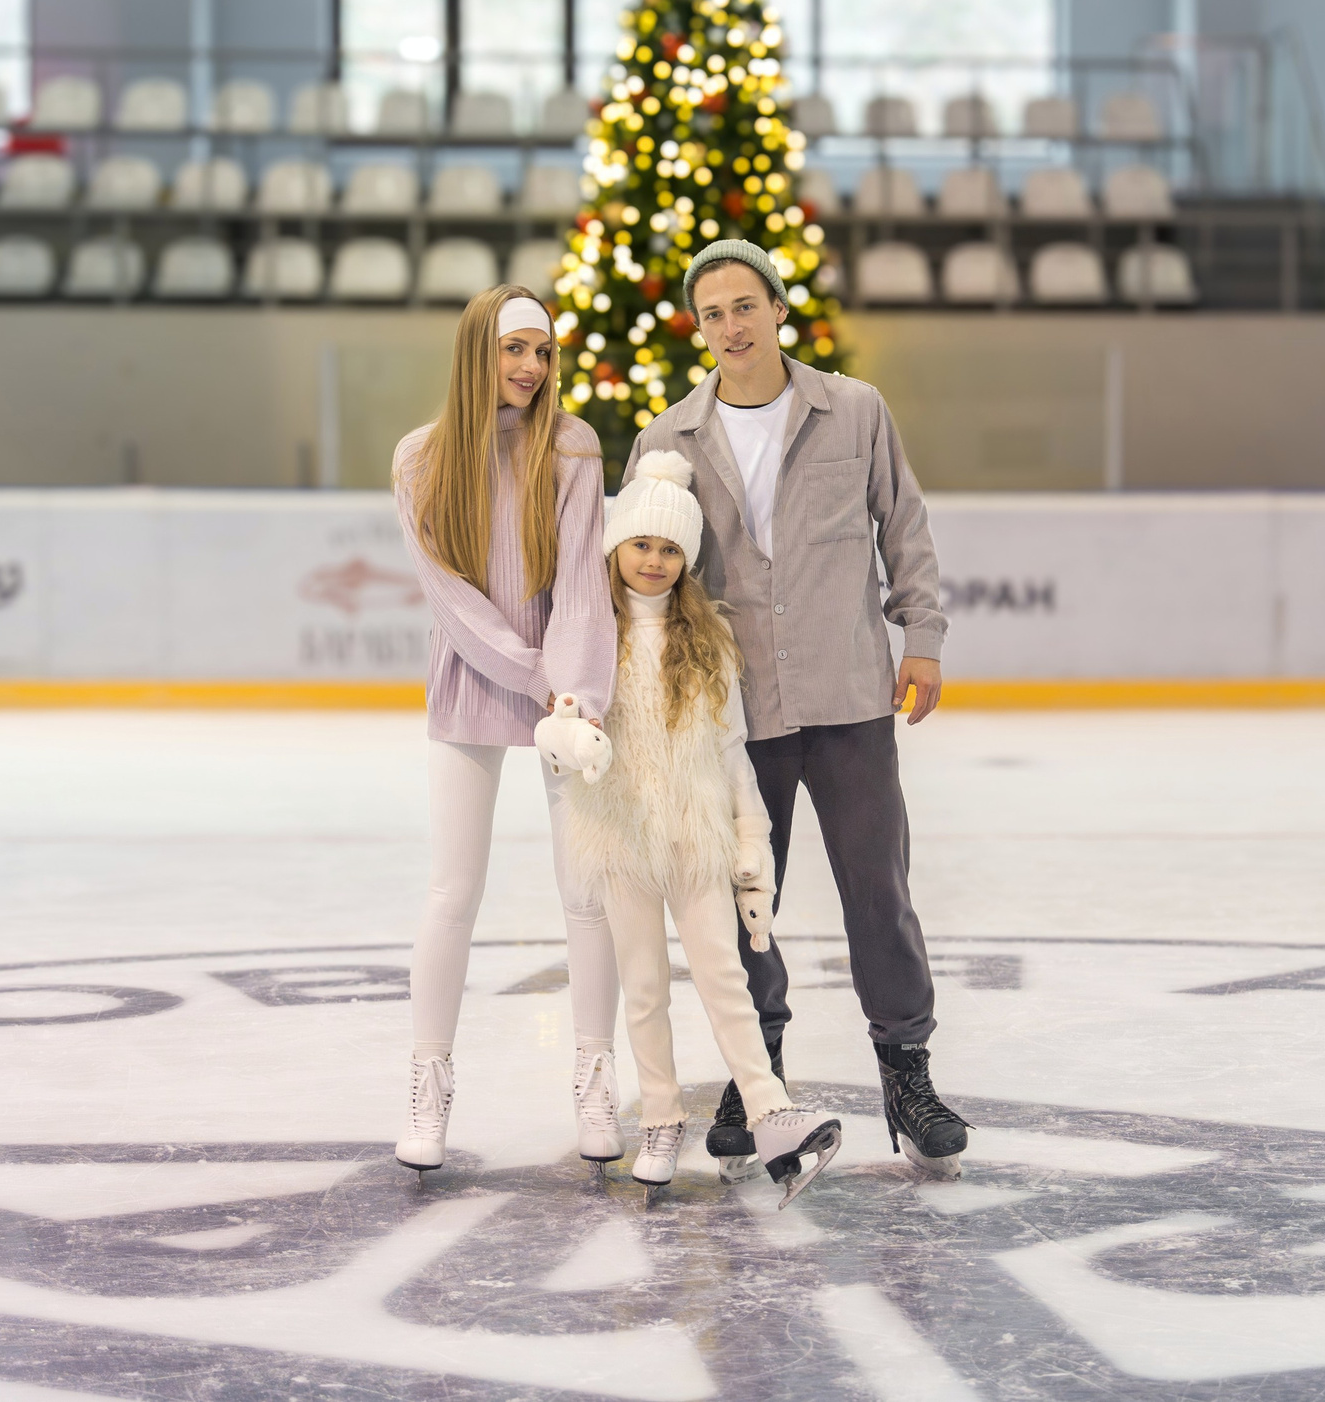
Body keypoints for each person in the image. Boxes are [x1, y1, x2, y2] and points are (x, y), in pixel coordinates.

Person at [628, 237, 970, 1178]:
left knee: (879, 892)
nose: (731, 326)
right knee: (749, 901)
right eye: (712, 314)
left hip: (851, 692)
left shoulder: (853, 410)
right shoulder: (668, 440)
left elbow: (904, 525)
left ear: (778, 309)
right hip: (736, 714)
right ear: (697, 330)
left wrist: (925, 636)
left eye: (746, 306)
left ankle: (907, 1071)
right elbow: (644, 571)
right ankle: (758, 1072)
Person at [547, 450, 844, 1202]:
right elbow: (552, 727)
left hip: (694, 837)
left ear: (687, 559)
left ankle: (772, 1110)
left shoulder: (708, 640)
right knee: (643, 988)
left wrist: (753, 862)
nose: (653, 561)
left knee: (722, 977)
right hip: (619, 837)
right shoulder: (587, 635)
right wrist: (568, 740)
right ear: (616, 548)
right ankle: (660, 1117)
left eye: (670, 548)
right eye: (641, 544)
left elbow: (734, 757)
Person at [388, 285, 621, 1173]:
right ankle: (428, 1080)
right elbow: (452, 603)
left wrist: (575, 697)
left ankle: (595, 1078)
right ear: (477, 349)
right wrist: (535, 678)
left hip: (568, 696)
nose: (529, 368)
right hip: (474, 680)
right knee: (453, 890)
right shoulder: (420, 460)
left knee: (587, 894)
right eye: (512, 348)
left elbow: (582, 592)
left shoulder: (572, 446)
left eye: (541, 352)